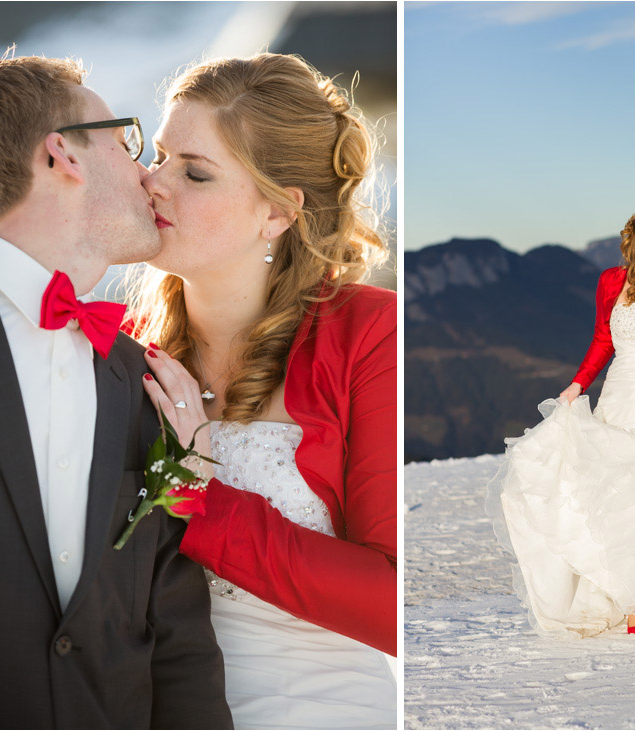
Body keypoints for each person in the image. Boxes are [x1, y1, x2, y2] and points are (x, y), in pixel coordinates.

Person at [0, 56, 231, 728]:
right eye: (126, 142)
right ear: (63, 154)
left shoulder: (146, 378)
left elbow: (175, 639)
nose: (148, 173)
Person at [127, 54, 397, 729]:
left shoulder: (369, 334)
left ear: (277, 212)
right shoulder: (125, 353)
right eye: (156, 156)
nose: (151, 183)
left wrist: (199, 501)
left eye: (193, 172)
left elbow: (394, 599)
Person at [488, 206, 635, 637]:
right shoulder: (609, 282)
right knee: (626, 500)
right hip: (621, 398)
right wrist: (578, 385)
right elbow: (603, 339)